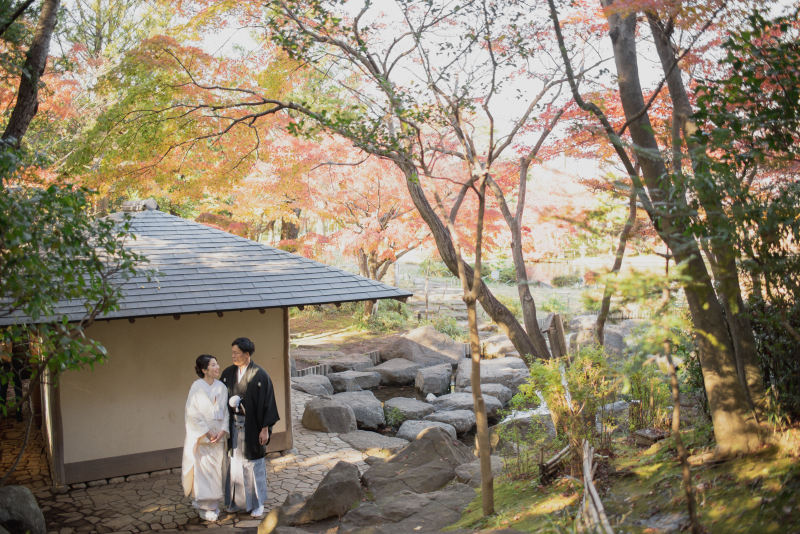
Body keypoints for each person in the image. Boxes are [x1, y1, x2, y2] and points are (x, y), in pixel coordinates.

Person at [220, 337, 280, 518]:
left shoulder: (260, 375)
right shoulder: (228, 373)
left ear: (247, 354)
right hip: (234, 425)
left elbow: (268, 403)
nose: (233, 356)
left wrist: (265, 429)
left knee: (253, 464)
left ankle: (257, 503)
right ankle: (235, 502)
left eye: (236, 353)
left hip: (253, 426)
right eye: (232, 352)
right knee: (234, 463)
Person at [182, 355, 229, 522]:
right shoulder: (196, 387)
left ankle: (213, 505)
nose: (217, 367)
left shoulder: (221, 387)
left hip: (218, 438)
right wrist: (207, 432)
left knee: (216, 472)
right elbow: (192, 413)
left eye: (217, 364)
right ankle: (203, 506)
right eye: (213, 365)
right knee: (202, 472)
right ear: (204, 369)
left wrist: (222, 431)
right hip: (203, 439)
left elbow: (225, 411)